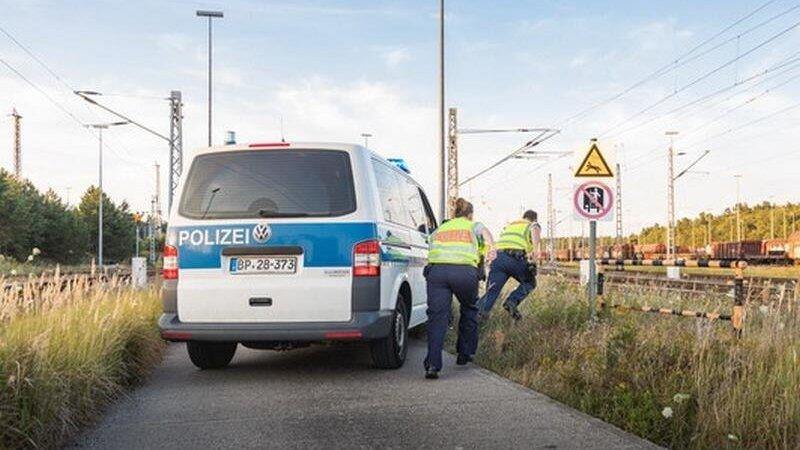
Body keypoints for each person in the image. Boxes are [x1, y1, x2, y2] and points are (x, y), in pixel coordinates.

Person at [424, 198, 495, 379]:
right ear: (470, 214)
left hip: (437, 272)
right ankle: (464, 354)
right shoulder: (472, 225)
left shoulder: (442, 227)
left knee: (437, 317)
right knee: (469, 309)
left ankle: (432, 365)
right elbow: (485, 233)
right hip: (464, 272)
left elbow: (430, 244)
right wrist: (492, 247)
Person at [479, 210, 541, 321]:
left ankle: (476, 317)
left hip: (498, 258)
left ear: (523, 217)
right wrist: (535, 254)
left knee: (492, 290)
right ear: (534, 219)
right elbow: (534, 228)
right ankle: (512, 301)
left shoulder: (511, 225)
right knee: (530, 283)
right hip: (516, 258)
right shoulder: (531, 224)